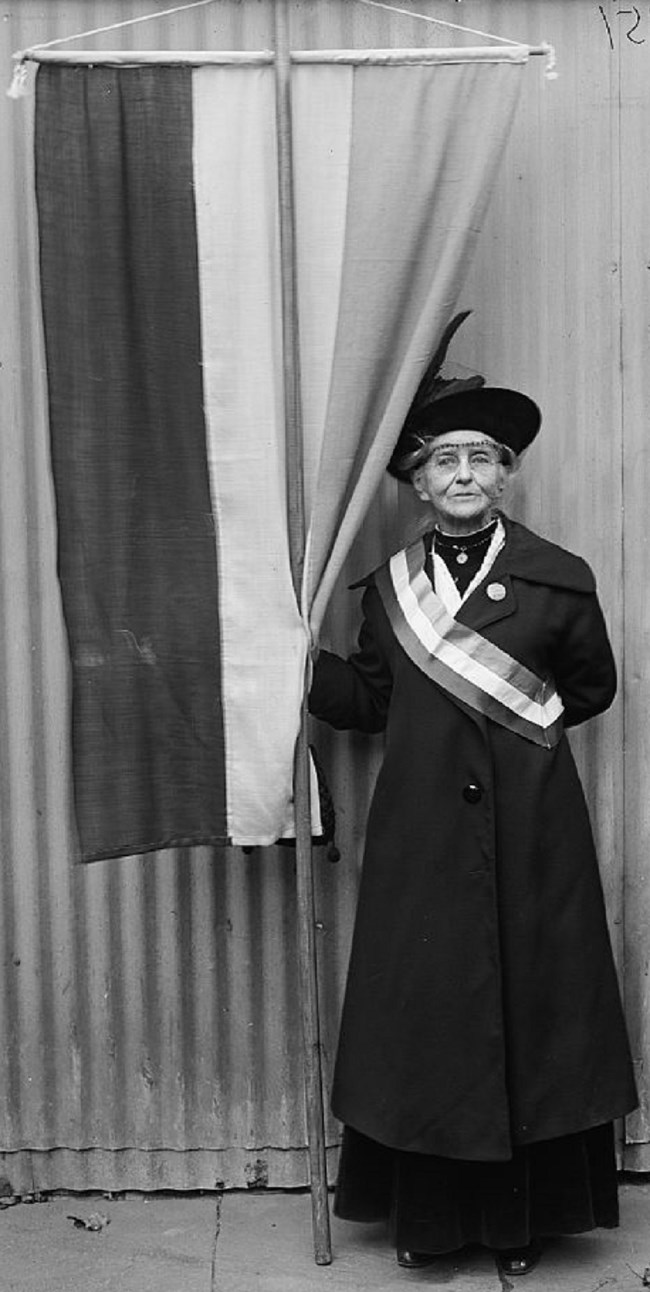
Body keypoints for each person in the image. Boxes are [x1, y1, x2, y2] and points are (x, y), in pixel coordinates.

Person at [308, 314, 638, 1277]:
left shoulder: (559, 580)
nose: (462, 474)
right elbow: (369, 700)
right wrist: (290, 668)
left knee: (533, 1017)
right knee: (431, 1018)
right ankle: (433, 1225)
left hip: (534, 837)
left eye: (482, 459)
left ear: (506, 476)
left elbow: (589, 690)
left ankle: (520, 1228)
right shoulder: (385, 591)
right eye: (443, 459)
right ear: (416, 483)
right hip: (421, 841)